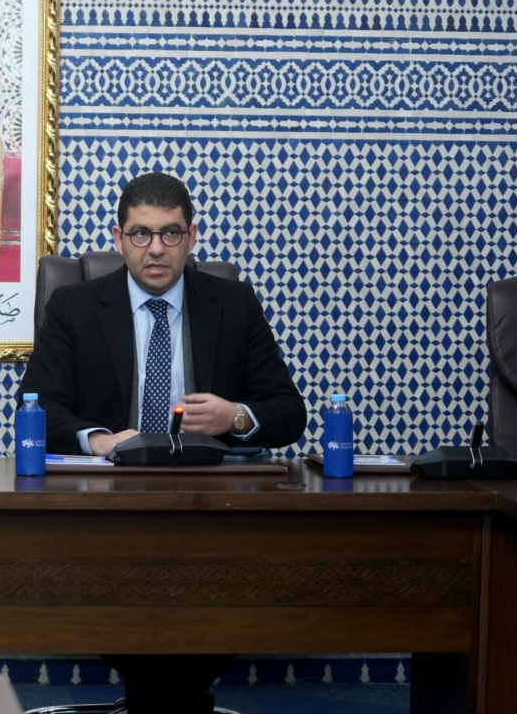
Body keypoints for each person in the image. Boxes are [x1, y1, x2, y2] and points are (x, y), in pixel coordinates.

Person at [20, 171, 308, 714]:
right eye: (141, 234)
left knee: (242, 583)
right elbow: (34, 406)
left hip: (210, 507)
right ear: (117, 237)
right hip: (108, 510)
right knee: (134, 609)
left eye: (170, 234)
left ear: (192, 237)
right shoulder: (74, 306)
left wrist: (235, 415)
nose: (156, 249)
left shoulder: (233, 303)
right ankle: (177, 699)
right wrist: (100, 440)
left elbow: (289, 413)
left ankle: (165, 697)